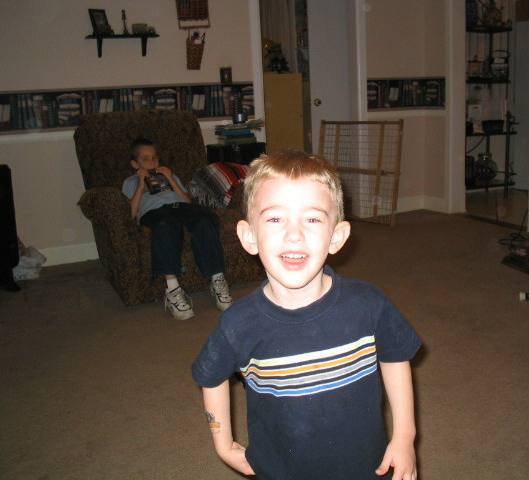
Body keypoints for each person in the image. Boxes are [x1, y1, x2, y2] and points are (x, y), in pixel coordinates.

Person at [192, 150, 421, 479]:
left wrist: (404, 437)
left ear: (336, 237)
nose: (294, 234)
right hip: (281, 470)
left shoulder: (369, 304)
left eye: (312, 219)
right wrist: (224, 445)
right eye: (275, 219)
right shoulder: (237, 324)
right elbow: (210, 376)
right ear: (249, 237)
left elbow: (395, 358)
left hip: (366, 467)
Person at [121, 138, 232, 320]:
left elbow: (187, 201)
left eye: (155, 158)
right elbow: (131, 214)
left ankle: (217, 279)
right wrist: (141, 185)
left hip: (180, 207)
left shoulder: (170, 176)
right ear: (135, 164)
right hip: (154, 212)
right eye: (145, 159)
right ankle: (172, 289)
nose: (152, 163)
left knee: (205, 219)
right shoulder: (131, 182)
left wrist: (171, 179)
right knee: (166, 226)